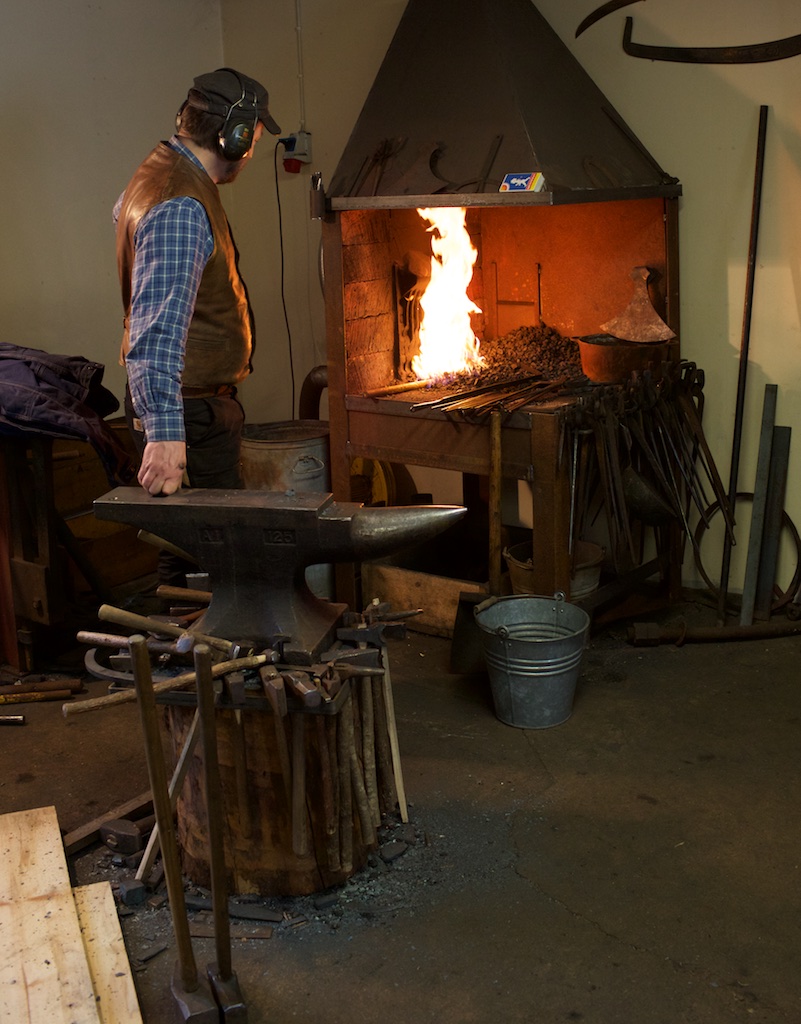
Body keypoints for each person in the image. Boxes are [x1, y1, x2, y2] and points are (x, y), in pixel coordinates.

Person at [115, 67, 281, 502]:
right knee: (215, 550)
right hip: (188, 411)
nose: (249, 154)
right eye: (253, 142)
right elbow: (159, 329)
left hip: (190, 405)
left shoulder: (158, 172)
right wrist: (166, 435)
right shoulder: (182, 207)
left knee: (186, 549)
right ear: (235, 138)